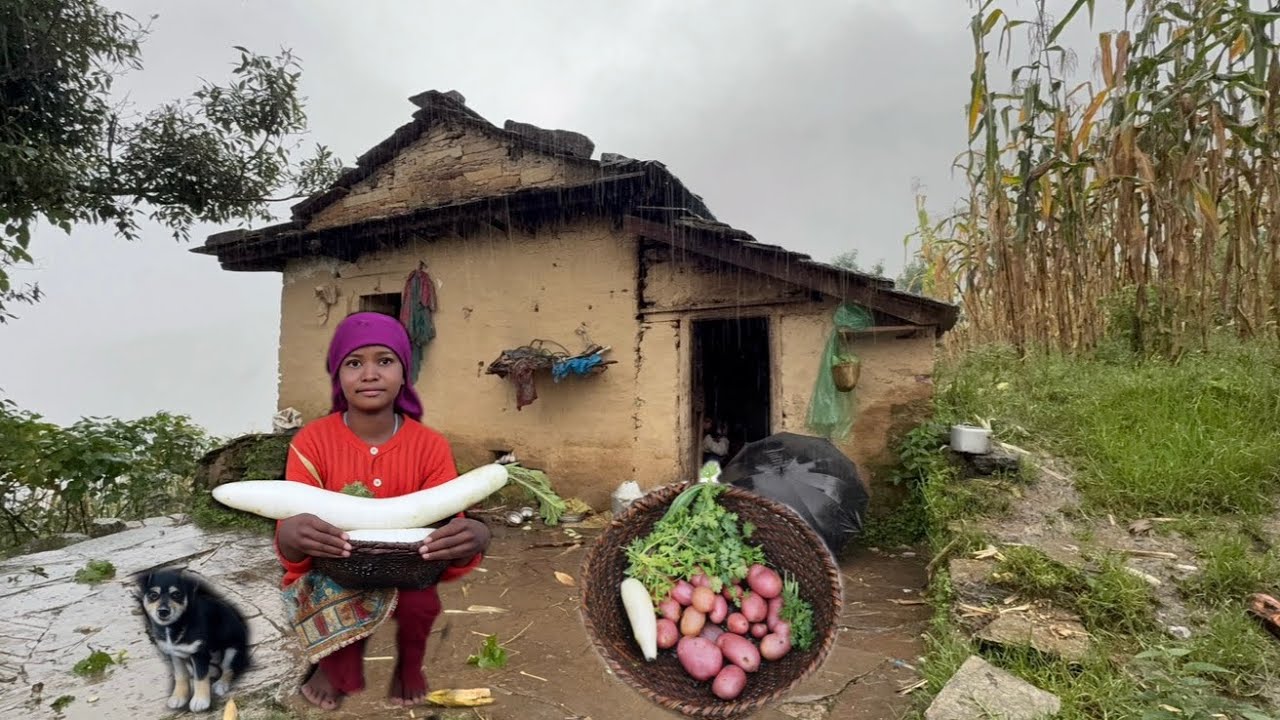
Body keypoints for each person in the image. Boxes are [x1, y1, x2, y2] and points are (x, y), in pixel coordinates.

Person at [274, 311, 491, 710]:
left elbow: (449, 527)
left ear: (404, 373)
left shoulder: (430, 446)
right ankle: (339, 666)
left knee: (420, 603)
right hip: (335, 565)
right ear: (338, 375)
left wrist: (471, 539)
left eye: (384, 361)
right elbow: (295, 524)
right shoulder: (312, 441)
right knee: (333, 593)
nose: (369, 374)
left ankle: (410, 666)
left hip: (408, 568)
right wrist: (289, 537)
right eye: (354, 363)